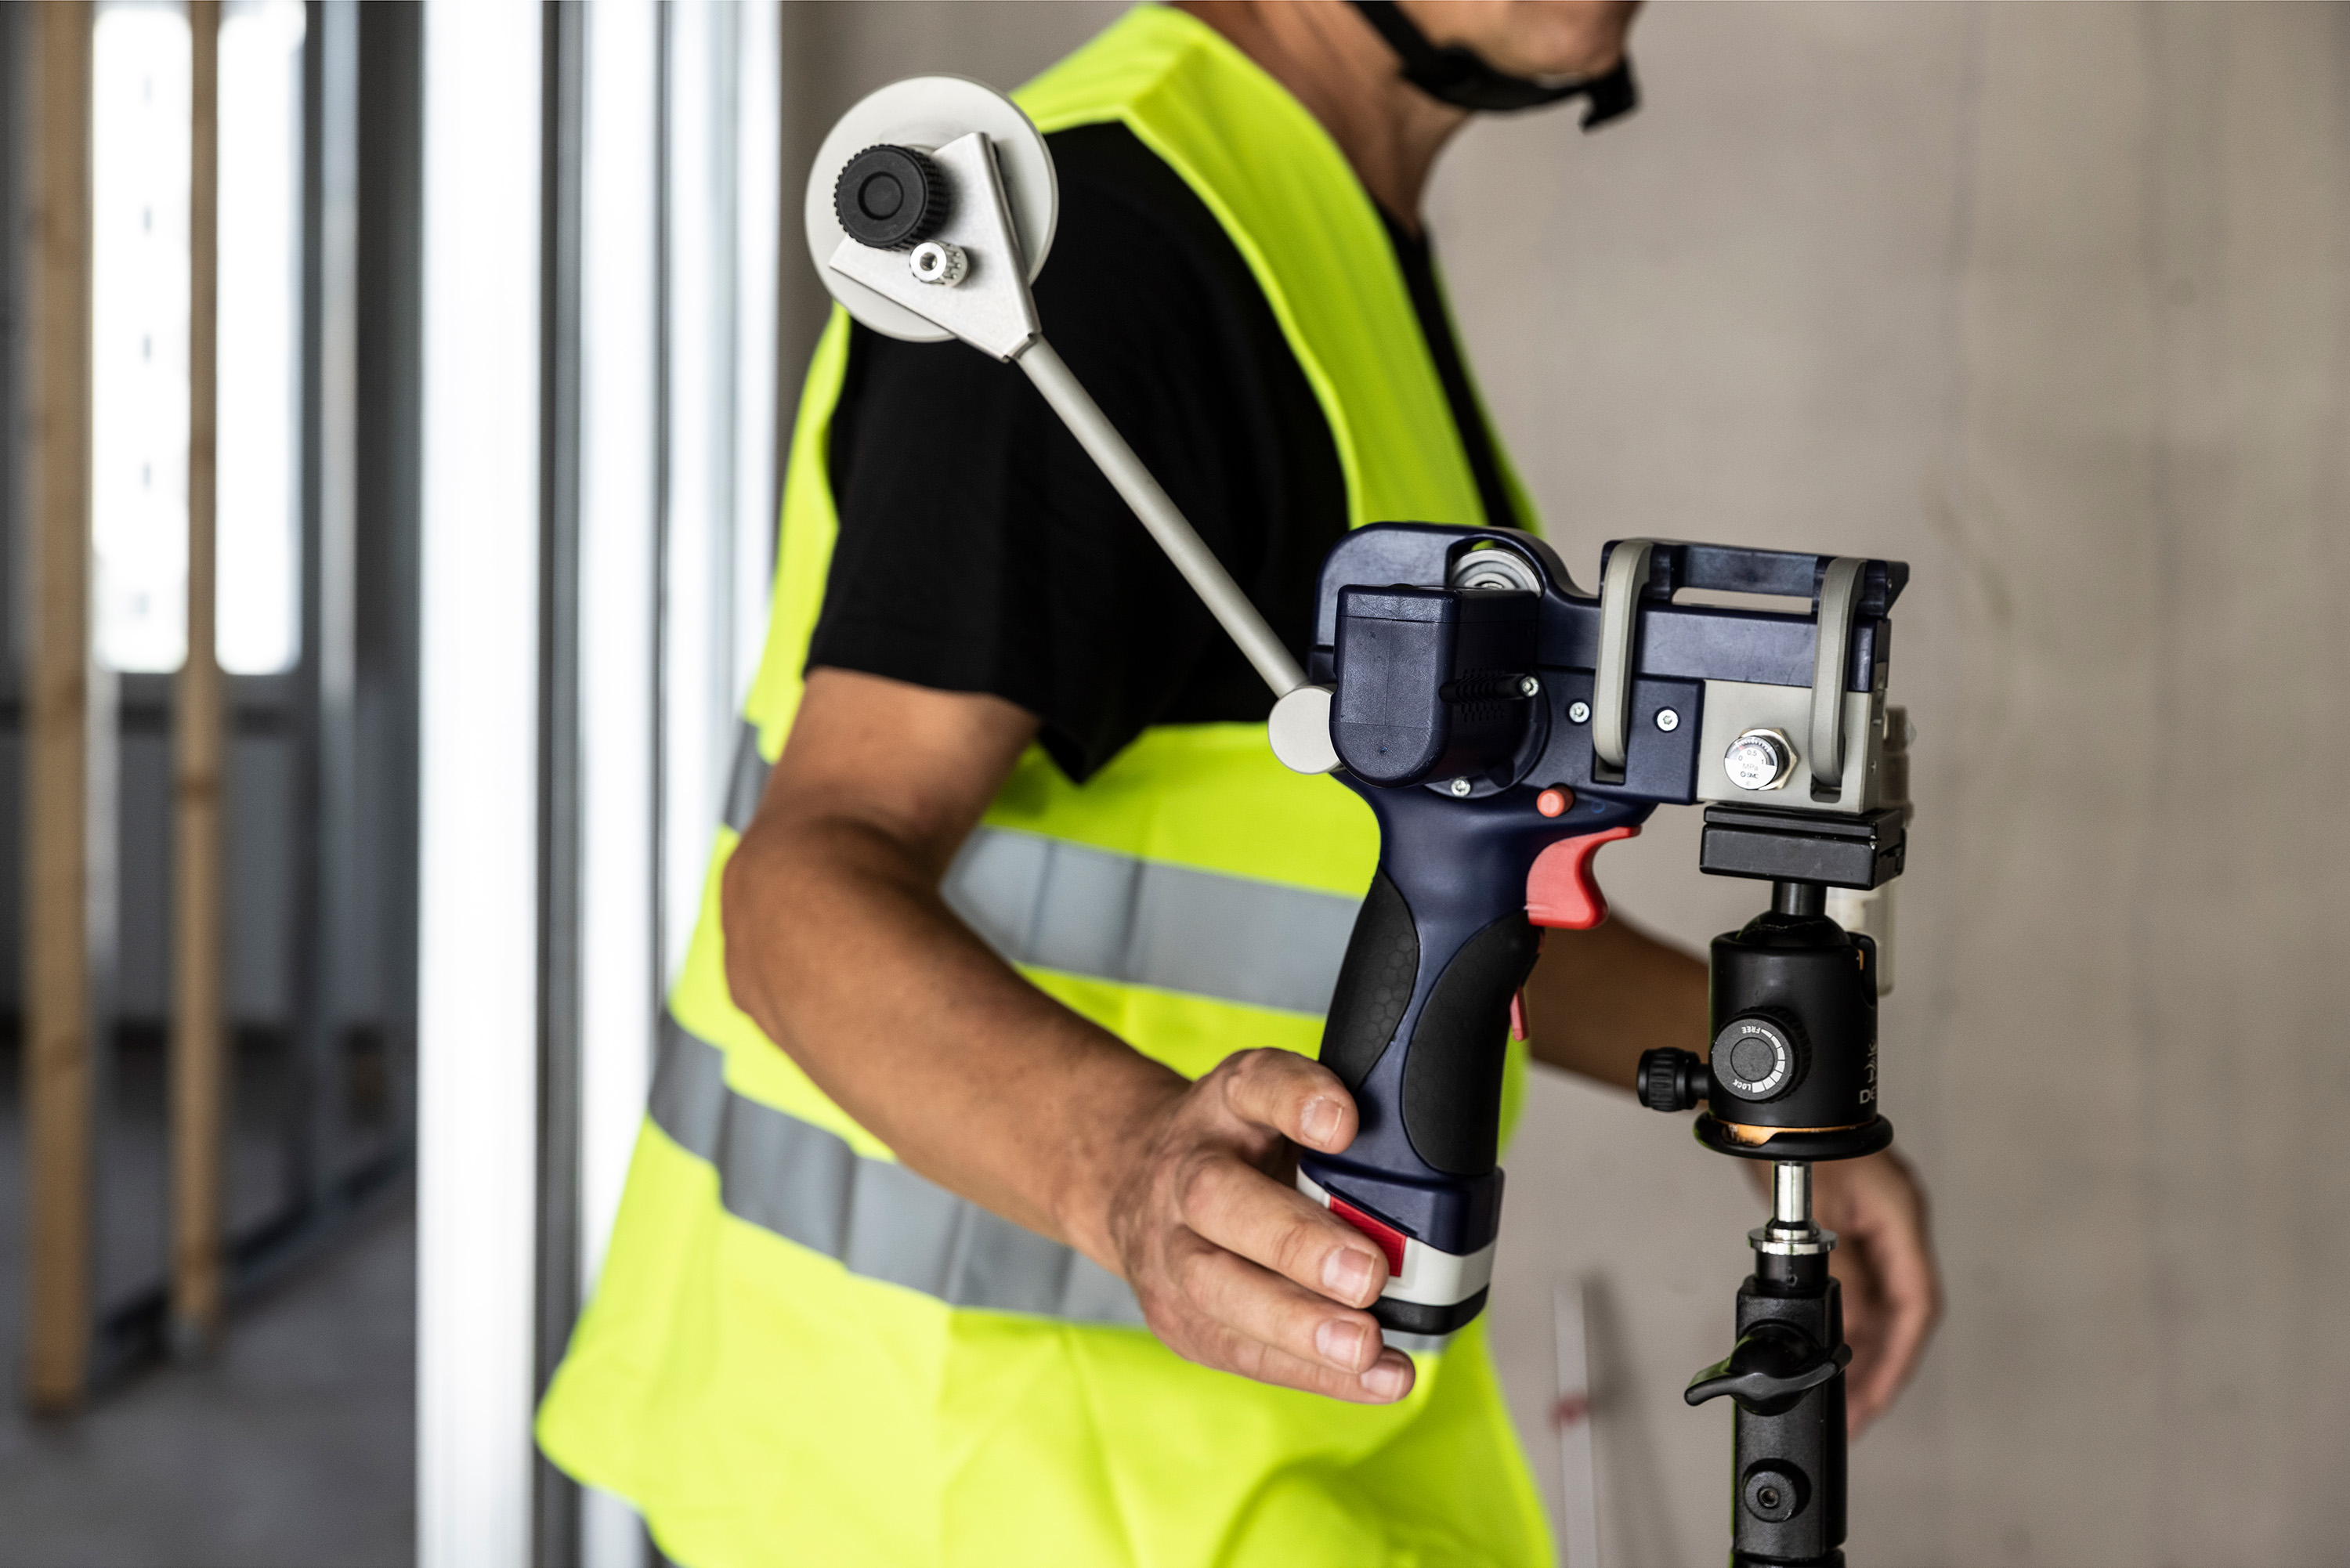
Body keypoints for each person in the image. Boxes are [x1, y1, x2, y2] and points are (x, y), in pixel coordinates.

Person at [537, 3, 1940, 1563]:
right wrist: (1129, 1171)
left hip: (1270, 1463)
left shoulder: (1318, 219)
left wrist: (1781, 1088)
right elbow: (804, 890)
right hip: (968, 1482)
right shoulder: (1095, 255)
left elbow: (1440, 867)